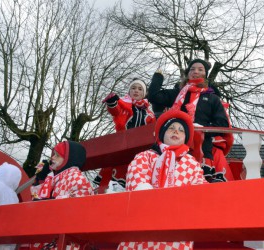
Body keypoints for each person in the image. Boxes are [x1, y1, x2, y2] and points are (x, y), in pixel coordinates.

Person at [118, 110, 206, 250]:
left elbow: (200, 191)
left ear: (186, 137)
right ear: (162, 133)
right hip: (142, 228)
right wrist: (154, 202)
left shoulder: (191, 163)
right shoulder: (146, 156)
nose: (175, 132)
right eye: (171, 128)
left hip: (177, 231)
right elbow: (137, 179)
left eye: (181, 130)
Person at [148, 59, 234, 182]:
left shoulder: (212, 98)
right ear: (188, 73)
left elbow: (223, 125)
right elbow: (153, 96)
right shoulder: (177, 93)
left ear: (205, 74)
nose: (195, 72)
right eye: (192, 69)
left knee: (200, 187)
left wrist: (201, 129)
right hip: (175, 147)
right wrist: (158, 77)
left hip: (202, 149)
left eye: (200, 69)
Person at [95, 78, 156, 193]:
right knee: (119, 171)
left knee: (136, 170)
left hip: (141, 149)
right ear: (129, 91)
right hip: (122, 145)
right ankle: (113, 189)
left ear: (144, 93)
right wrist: (112, 102)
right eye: (133, 88)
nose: (136, 91)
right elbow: (115, 111)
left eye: (139, 89)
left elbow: (153, 130)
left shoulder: (149, 113)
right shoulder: (124, 105)